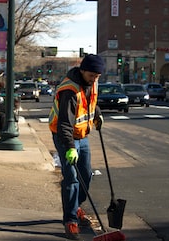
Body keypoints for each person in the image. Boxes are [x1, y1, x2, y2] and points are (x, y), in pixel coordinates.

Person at [49, 54, 104, 240]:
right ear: (82, 71)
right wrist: (70, 147)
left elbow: (91, 101)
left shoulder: (93, 82)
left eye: (97, 76)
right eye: (91, 75)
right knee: (72, 178)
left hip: (82, 135)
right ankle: (70, 220)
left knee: (86, 175)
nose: (94, 79)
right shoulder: (69, 90)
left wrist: (97, 114)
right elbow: (65, 123)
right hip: (65, 137)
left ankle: (76, 206)